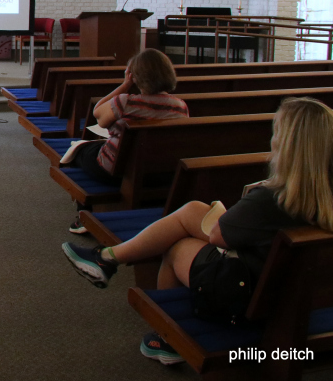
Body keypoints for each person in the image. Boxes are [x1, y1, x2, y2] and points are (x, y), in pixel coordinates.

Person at [61, 97, 333, 366]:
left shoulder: (272, 198)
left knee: (176, 246)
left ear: (285, 145)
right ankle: (107, 258)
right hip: (303, 290)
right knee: (192, 211)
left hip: (257, 296)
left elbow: (218, 237)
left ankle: (167, 339)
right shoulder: (321, 193)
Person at [68, 48, 189, 233]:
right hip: (157, 172)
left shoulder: (126, 102)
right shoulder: (180, 106)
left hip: (117, 170)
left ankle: (86, 214)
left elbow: (98, 114)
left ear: (136, 77)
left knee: (79, 152)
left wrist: (125, 85)